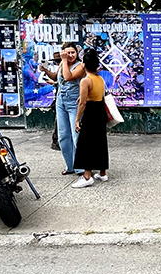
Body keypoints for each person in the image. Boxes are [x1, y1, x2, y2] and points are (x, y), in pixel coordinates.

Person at [39, 42, 86, 175]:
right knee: (63, 135)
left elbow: (68, 77)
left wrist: (64, 60)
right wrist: (46, 71)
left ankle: (81, 167)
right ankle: (69, 165)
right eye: (67, 52)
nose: (70, 55)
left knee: (76, 134)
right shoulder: (62, 64)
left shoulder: (80, 66)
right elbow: (57, 77)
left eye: (72, 52)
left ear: (77, 53)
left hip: (74, 102)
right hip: (61, 101)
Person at [71, 48, 109, 188]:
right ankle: (102, 173)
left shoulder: (85, 80)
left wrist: (77, 119)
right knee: (100, 141)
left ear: (83, 64)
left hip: (91, 112)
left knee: (86, 142)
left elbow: (83, 103)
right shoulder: (100, 78)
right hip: (100, 110)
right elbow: (96, 94)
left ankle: (87, 176)